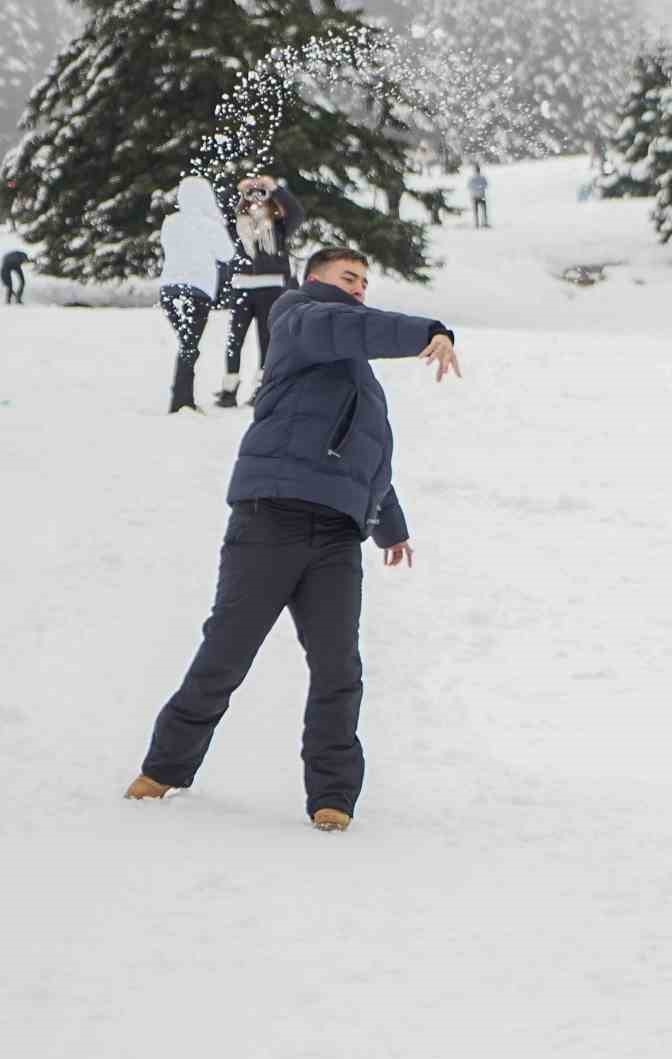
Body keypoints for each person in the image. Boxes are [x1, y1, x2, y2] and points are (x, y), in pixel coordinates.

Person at [123, 247, 465, 831]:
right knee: (227, 653)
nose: (358, 287)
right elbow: (342, 323)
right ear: (316, 279)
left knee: (339, 668)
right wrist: (427, 331)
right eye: (348, 277)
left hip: (336, 536)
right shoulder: (298, 314)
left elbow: (368, 458)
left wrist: (390, 525)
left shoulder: (360, 375)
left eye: (364, 279)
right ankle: (163, 769)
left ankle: (332, 798)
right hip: (270, 517)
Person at [220, 174, 305, 408]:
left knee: (267, 340)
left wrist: (274, 189)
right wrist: (238, 190)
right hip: (242, 286)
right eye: (251, 197)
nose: (256, 200)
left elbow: (296, 212)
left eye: (261, 196)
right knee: (234, 339)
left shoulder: (279, 227)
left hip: (271, 286)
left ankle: (263, 388)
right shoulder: (236, 226)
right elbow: (221, 209)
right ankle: (229, 389)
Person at [159, 177, 239, 413]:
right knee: (189, 346)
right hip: (198, 292)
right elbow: (227, 255)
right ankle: (182, 402)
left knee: (187, 344)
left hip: (170, 290)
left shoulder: (170, 222)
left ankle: (183, 398)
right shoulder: (210, 225)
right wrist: (219, 223)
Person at [468, 164, 489, 229]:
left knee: (476, 211)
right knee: (484, 210)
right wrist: (480, 187)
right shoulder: (482, 177)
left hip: (475, 196)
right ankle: (484, 223)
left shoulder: (472, 178)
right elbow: (486, 185)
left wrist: (475, 189)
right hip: (481, 196)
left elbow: (469, 186)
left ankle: (477, 223)